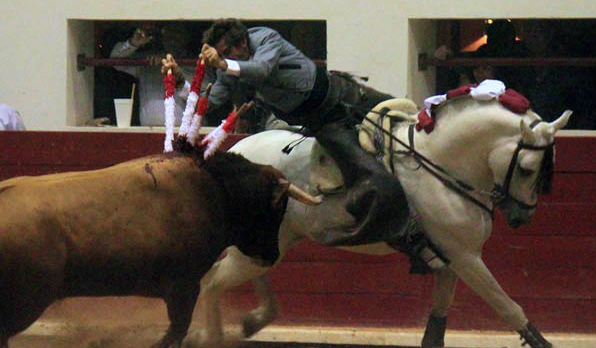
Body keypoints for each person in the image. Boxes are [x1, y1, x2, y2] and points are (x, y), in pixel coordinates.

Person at [197, 18, 411, 248]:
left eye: (228, 51)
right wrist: (180, 85)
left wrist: (222, 64)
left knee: (404, 118)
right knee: (366, 174)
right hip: (325, 121)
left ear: (242, 44)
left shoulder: (265, 38)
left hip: (346, 94)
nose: (226, 57)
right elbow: (210, 100)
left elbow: (261, 69)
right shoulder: (231, 65)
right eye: (222, 54)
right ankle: (402, 228)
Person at [110, 23, 195, 126]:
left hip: (183, 133)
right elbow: (114, 62)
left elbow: (201, 98)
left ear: (187, 37)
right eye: (168, 32)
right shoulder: (149, 60)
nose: (173, 37)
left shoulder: (193, 63)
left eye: (178, 32)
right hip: (147, 133)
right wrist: (133, 43)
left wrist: (175, 70)